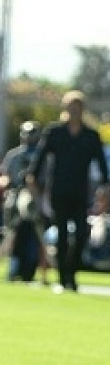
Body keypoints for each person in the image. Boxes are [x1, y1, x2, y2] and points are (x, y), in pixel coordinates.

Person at [27, 91, 110, 292]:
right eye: (71, 107)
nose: (74, 111)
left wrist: (105, 186)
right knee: (62, 234)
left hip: (81, 192)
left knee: (81, 233)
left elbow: (102, 163)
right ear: (65, 109)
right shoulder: (55, 132)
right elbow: (40, 159)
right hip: (59, 191)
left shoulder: (91, 136)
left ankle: (72, 273)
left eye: (78, 107)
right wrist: (33, 179)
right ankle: (64, 277)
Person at [1, 120, 48, 282]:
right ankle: (13, 268)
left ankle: (33, 270)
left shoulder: (43, 156)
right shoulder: (14, 155)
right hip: (15, 197)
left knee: (36, 236)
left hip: (35, 199)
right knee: (12, 233)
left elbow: (46, 179)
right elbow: (6, 177)